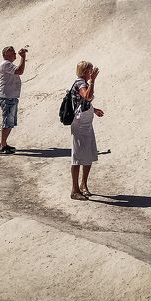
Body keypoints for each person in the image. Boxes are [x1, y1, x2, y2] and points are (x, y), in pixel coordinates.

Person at [69, 61, 104, 200]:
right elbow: (87, 96)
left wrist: (93, 110)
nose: (92, 72)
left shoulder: (84, 83)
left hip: (87, 124)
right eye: (90, 70)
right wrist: (93, 82)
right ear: (84, 71)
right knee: (77, 158)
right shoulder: (80, 84)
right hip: (79, 125)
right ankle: (74, 190)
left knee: (88, 154)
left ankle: (83, 185)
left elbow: (84, 102)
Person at [0, 46, 27, 155]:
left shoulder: (8, 65)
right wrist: (23, 57)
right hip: (7, 97)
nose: (15, 54)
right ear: (6, 55)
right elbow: (20, 71)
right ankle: (2, 146)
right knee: (7, 122)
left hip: (10, 97)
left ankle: (3, 144)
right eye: (12, 53)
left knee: (9, 123)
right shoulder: (5, 64)